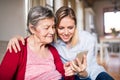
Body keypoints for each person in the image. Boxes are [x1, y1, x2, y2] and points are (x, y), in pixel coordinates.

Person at [6, 6, 114, 80]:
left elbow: (88, 69)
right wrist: (16, 38)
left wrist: (78, 73)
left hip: (91, 73)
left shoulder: (87, 39)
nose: (66, 33)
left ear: (75, 26)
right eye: (61, 28)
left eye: (70, 28)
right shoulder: (51, 42)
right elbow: (36, 37)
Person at [0, 6, 75, 80]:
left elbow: (67, 76)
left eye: (53, 27)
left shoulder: (52, 50)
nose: (52, 32)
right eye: (46, 28)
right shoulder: (17, 48)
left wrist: (68, 72)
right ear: (32, 29)